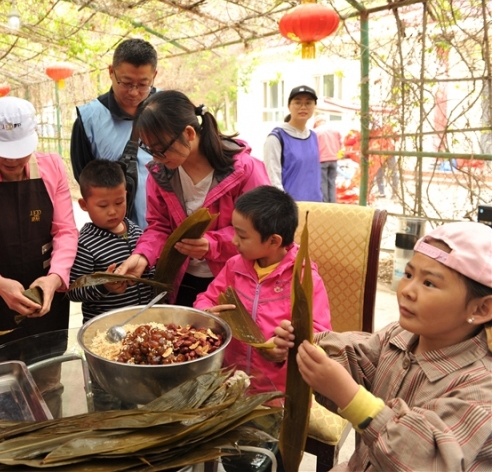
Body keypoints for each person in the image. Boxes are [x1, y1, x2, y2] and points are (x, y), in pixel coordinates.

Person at [274, 221, 492, 471]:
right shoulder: (401, 335)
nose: (407, 290)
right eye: (408, 275)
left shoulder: (481, 390)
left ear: (481, 308)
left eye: (429, 283)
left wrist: (351, 397)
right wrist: (305, 346)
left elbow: (426, 458)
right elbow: (357, 356)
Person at [115, 90, 271, 307]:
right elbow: (159, 227)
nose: (156, 158)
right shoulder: (161, 174)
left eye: (161, 150)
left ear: (189, 133)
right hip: (183, 281)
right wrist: (143, 256)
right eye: (150, 150)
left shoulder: (244, 170)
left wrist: (212, 244)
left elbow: (262, 229)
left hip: (236, 282)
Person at [0, 96, 78, 350]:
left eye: (20, 152)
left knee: (48, 376)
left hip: (45, 295)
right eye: (3, 153)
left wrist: (54, 279)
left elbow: (65, 232)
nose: (12, 161)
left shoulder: (52, 167)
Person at [193, 185, 331, 393]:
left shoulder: (304, 279)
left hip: (277, 390)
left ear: (274, 241)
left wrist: (285, 348)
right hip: (229, 381)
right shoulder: (234, 267)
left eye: (242, 236)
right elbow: (207, 298)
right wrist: (207, 314)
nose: (234, 240)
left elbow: (321, 334)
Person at [71, 38, 158, 229]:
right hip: (118, 236)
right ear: (111, 72)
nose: (134, 92)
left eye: (143, 84)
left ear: (154, 76)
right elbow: (87, 181)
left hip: (166, 231)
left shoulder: (168, 111)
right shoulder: (89, 120)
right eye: (126, 83)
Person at [68, 160, 154, 323]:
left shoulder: (136, 231)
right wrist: (104, 285)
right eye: (103, 206)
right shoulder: (85, 244)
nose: (112, 211)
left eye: (119, 202)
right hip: (105, 331)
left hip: (142, 324)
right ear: (84, 205)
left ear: (126, 196)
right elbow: (74, 291)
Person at [263, 85, 322, 201]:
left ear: (314, 106)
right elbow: (272, 178)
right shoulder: (277, 137)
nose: (303, 107)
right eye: (298, 102)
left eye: (308, 103)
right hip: (290, 209)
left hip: (315, 207)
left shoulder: (313, 136)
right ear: (289, 106)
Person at [313, 116, 341, 203]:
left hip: (322, 160)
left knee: (323, 183)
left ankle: (325, 204)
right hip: (333, 159)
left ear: (317, 123)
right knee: (332, 182)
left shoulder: (316, 132)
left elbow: (313, 147)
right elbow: (340, 144)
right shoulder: (335, 131)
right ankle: (333, 203)